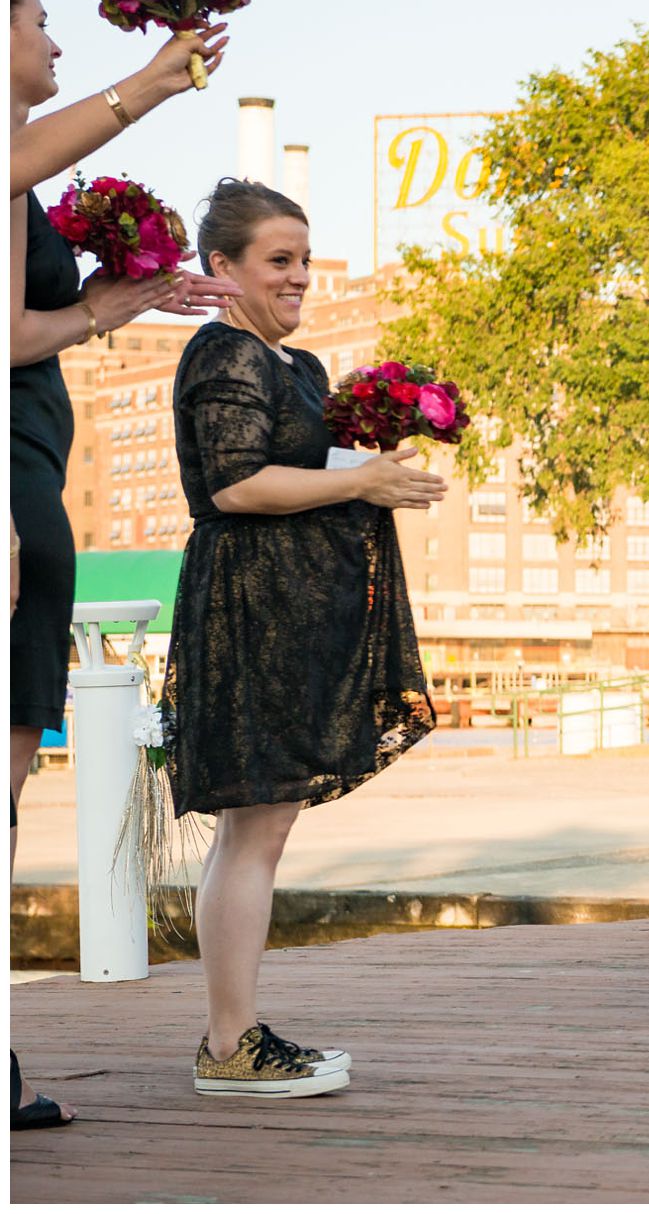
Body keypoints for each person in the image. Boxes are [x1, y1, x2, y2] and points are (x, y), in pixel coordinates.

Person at [9, 0, 236, 1131]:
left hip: (32, 469)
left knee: (9, 774)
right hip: (11, 480)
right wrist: (149, 83)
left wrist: (128, 293)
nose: (51, 43)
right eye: (38, 22)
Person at [164, 179, 446, 1096]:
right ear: (223, 269)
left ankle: (234, 1037)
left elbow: (302, 471)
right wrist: (361, 482)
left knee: (260, 829)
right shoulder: (223, 356)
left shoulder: (299, 369)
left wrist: (375, 469)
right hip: (248, 610)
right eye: (278, 262)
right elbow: (237, 487)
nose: (299, 278)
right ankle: (229, 1044)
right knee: (253, 831)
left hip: (292, 614)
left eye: (305, 261)